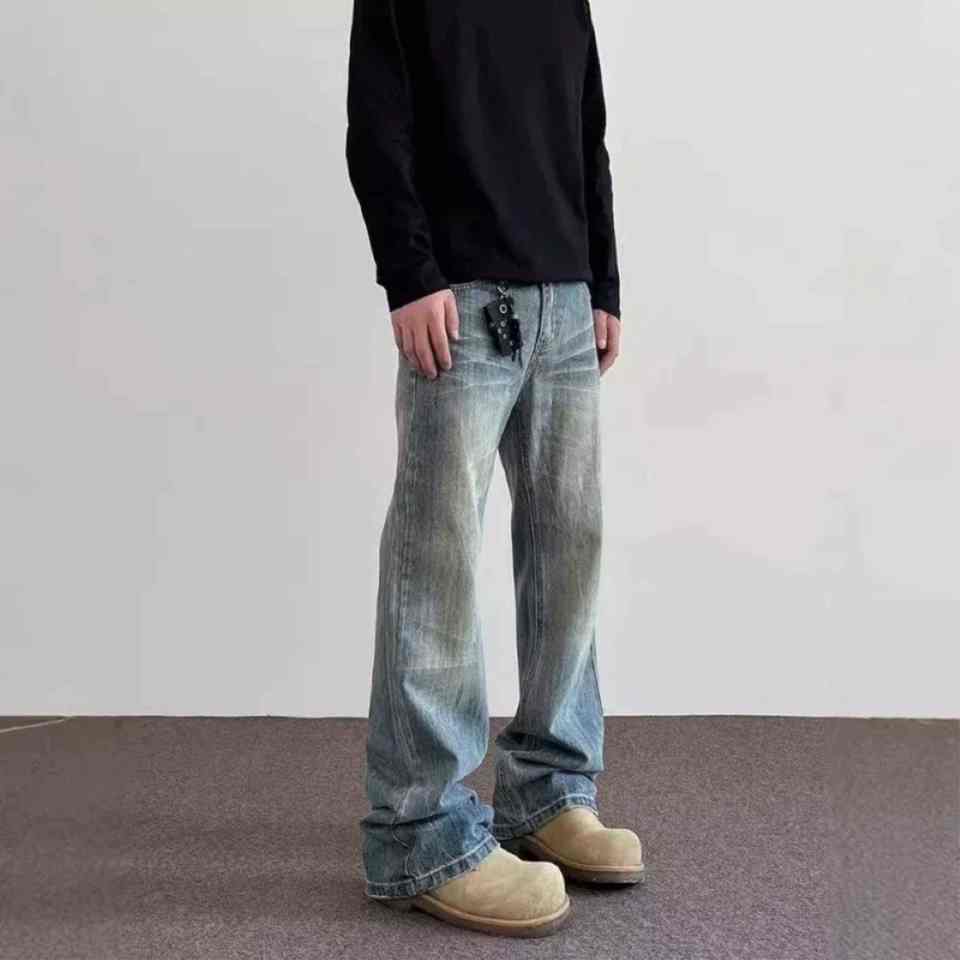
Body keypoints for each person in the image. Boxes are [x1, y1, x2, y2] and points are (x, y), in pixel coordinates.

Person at [345, 0, 643, 938]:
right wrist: (409, 274)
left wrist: (601, 280)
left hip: (565, 301)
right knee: (434, 559)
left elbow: (585, 128)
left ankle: (549, 789)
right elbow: (377, 122)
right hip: (460, 301)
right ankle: (419, 831)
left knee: (570, 549)